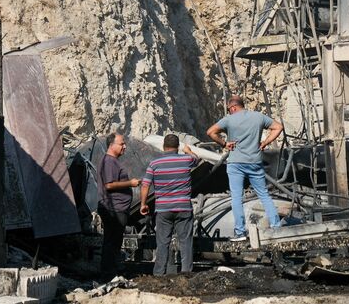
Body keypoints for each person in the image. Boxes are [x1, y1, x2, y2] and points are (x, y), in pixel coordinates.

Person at [206, 95, 284, 241]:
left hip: (236, 163)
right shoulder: (259, 117)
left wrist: (224, 144)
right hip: (255, 161)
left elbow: (210, 132)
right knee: (264, 194)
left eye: (230, 110)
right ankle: (276, 226)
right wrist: (265, 142)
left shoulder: (229, 119)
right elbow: (278, 127)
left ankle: (240, 232)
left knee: (236, 197)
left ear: (233, 107)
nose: (230, 112)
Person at [139, 134, 199, 275]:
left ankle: (159, 273)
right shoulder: (186, 160)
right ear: (177, 147)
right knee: (185, 243)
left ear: (163, 147)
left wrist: (143, 204)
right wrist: (188, 151)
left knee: (162, 243)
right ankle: (186, 274)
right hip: (183, 207)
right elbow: (197, 159)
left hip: (163, 209)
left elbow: (145, 185)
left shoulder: (154, 164)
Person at [97, 133, 140, 277]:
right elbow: (109, 185)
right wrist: (131, 183)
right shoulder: (109, 162)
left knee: (114, 242)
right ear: (112, 145)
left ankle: (111, 271)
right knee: (112, 242)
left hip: (117, 208)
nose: (125, 146)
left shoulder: (111, 161)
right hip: (113, 209)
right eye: (122, 144)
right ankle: (108, 273)